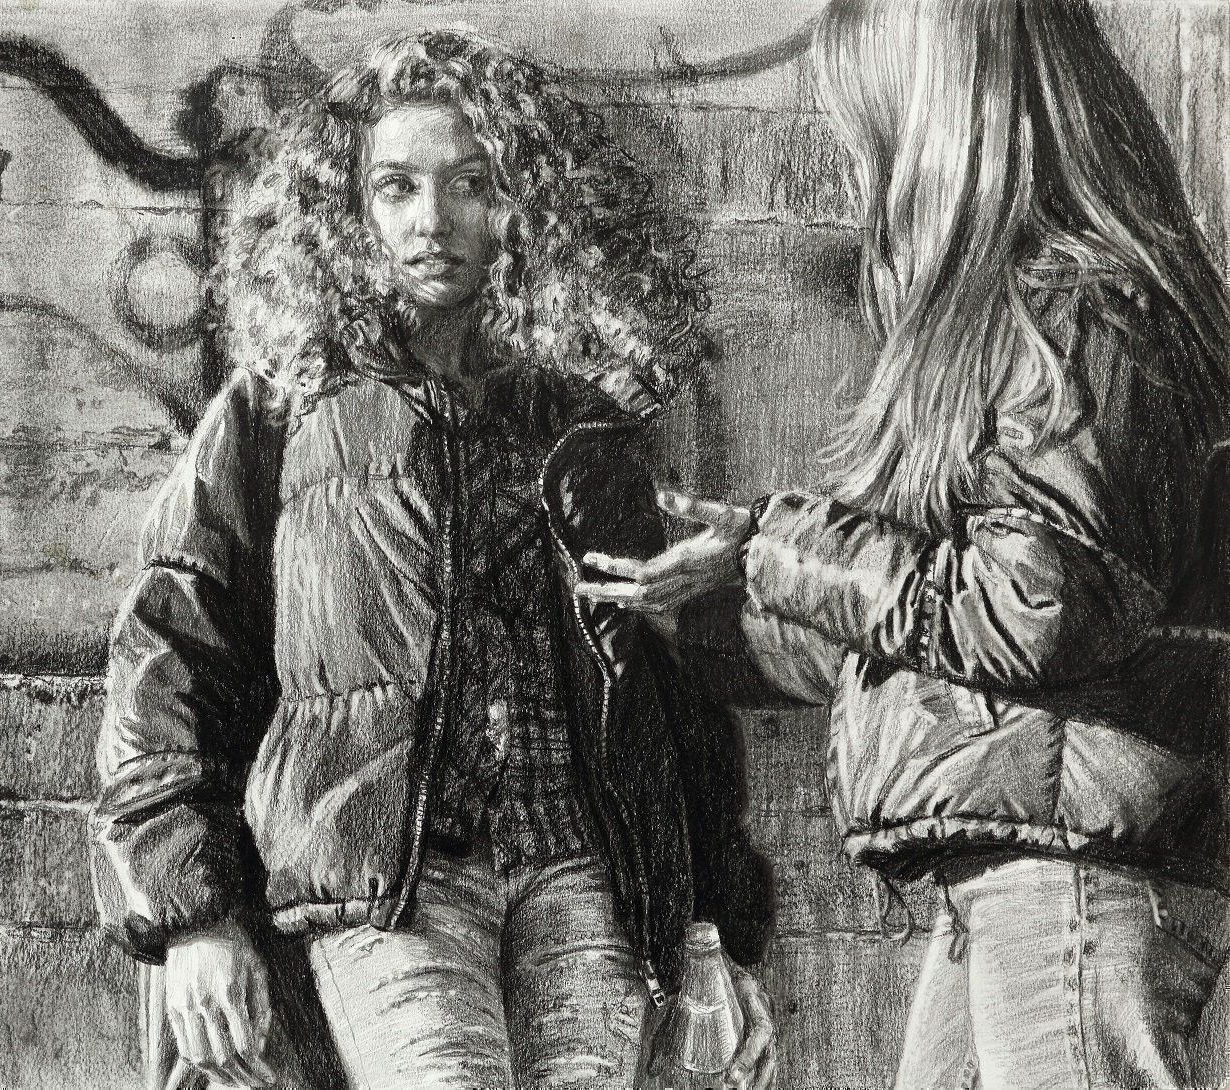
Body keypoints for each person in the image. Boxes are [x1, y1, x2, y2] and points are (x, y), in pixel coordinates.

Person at [91, 29, 778, 1090]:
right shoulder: (279, 408)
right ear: (346, 210)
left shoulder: (578, 419)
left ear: (523, 205)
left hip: (584, 879)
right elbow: (168, 654)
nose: (432, 220)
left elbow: (665, 692)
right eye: (396, 187)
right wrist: (192, 915)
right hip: (391, 888)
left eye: (472, 183)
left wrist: (709, 932)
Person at [577, 1, 1230, 1087]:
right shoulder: (1042, 322)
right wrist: (717, 606)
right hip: (1034, 861)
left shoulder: (1075, 318)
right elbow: (940, 637)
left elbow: (1030, 611)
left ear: (940, 122)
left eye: (871, 123)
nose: (861, 166)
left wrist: (776, 545)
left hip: (1075, 871)